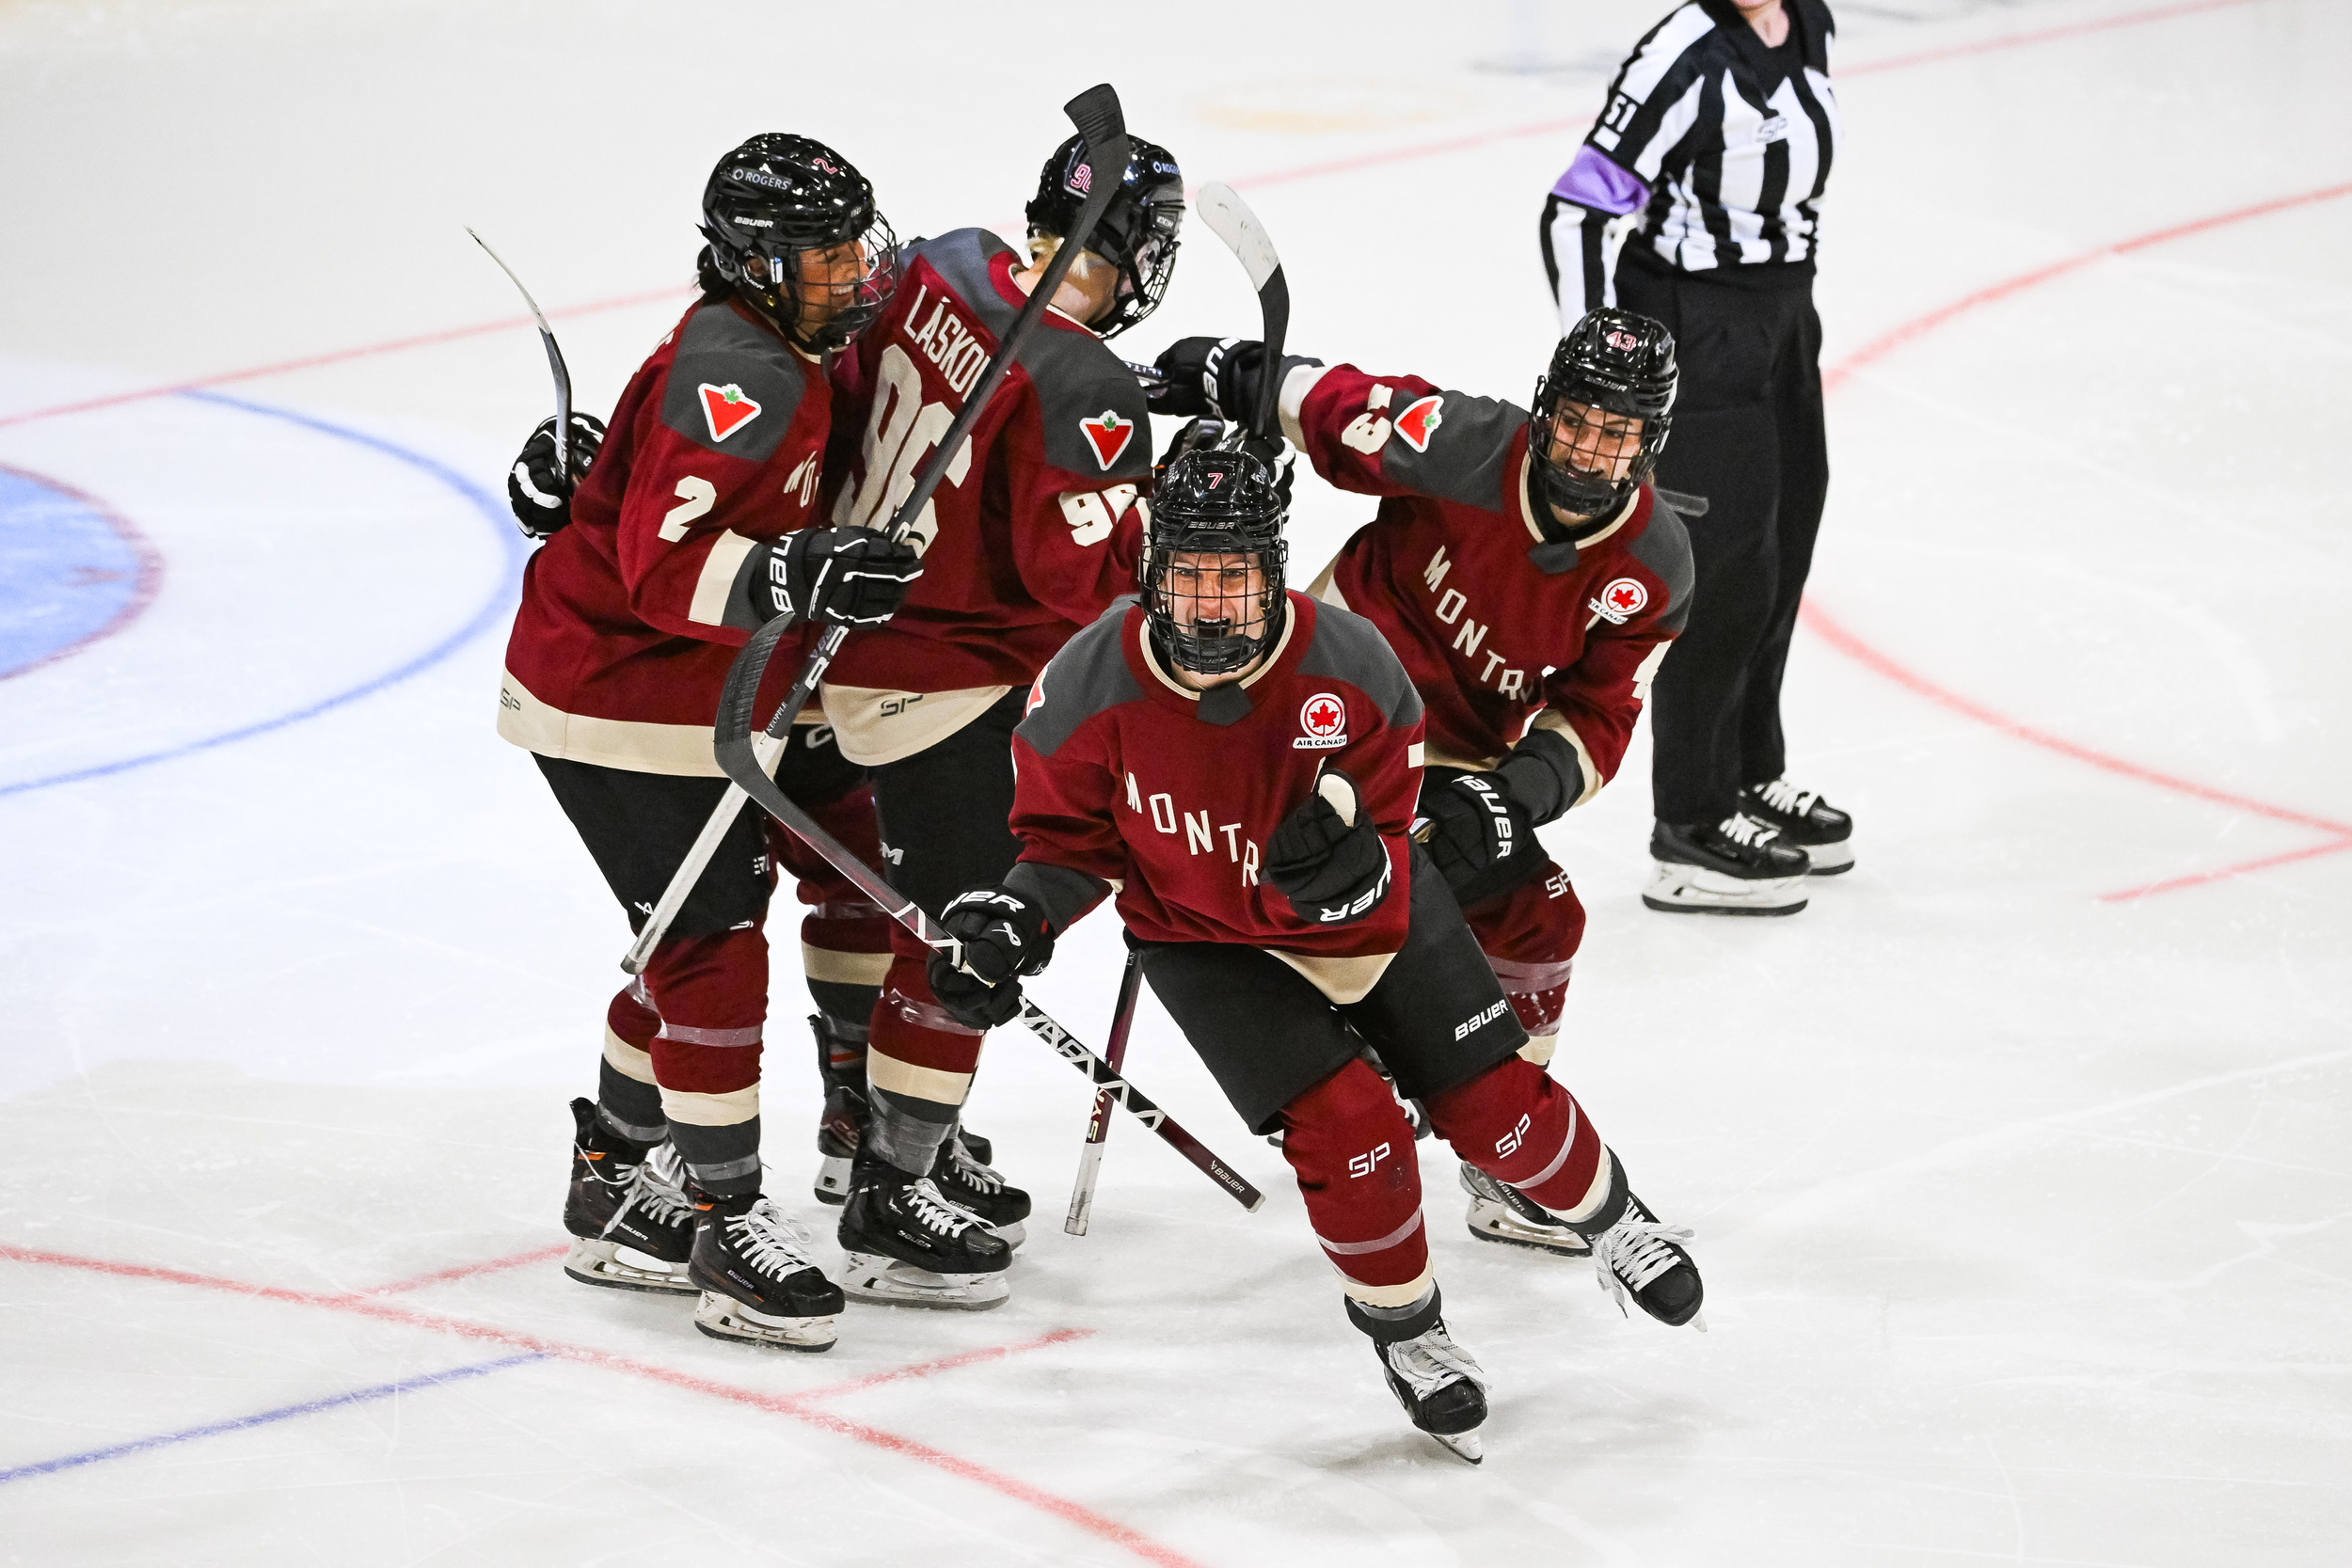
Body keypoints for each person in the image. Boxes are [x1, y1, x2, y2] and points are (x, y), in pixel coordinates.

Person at [927, 443, 1705, 1463]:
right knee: (1351, 1128)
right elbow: (1067, 845)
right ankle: (1410, 1333)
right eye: (1191, 580)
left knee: (1496, 1111)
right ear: (1154, 571)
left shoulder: (1351, 664)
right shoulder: (1080, 687)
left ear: (1274, 567)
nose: (1212, 610)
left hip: (1370, 923)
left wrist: (1360, 870)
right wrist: (1016, 921)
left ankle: (1612, 1219)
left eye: (1235, 581)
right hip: (1206, 941)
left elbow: (1394, 828)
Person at [495, 134, 920, 1353]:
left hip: (673, 687)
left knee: (690, 924)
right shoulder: (747, 367)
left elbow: (632, 494)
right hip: (612, 688)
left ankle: (616, 1179)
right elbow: (659, 561)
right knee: (712, 942)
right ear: (754, 260)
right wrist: (791, 567)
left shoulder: (781, 345)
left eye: (856, 243)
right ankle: (720, 1219)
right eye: (825, 253)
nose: (853, 271)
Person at [1151, 305, 1692, 1251]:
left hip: (1458, 759)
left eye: (1617, 434)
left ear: (1651, 443)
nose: (1586, 448)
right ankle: (1342, 1050)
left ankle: (1501, 1155)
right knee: (1328, 882)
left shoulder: (1651, 566)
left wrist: (1514, 792)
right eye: (1574, 420)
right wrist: (1234, 370)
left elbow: (1600, 715)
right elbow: (1332, 407)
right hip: (1320, 705)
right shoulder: (1460, 443)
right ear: (1542, 407)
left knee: (1542, 916)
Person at [807, 132, 1186, 1309]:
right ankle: (891, 1189)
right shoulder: (1086, 384)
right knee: (976, 929)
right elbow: (1091, 605)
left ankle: (858, 1121)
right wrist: (1171, 525)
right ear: (1139, 255)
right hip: (939, 683)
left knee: (891, 904)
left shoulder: (942, 264)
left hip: (840, 636)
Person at [1540, 0, 1851, 912]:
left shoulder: (1807, 21)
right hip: (1696, 329)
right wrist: (1598, 368)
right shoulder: (1682, 55)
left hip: (1783, 317)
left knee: (1784, 543)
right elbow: (1574, 211)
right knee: (1721, 577)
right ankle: (1690, 823)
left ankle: (1751, 775)